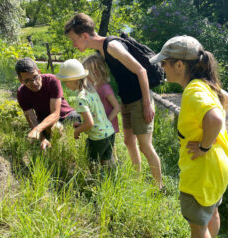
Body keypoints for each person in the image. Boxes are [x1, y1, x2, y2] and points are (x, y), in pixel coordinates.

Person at [64, 13, 163, 189]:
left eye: (74, 39)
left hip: (140, 100)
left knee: (145, 146)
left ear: (84, 36)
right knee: (129, 142)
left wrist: (147, 104)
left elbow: (141, 71)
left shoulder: (112, 46)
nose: (73, 43)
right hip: (126, 101)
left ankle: (159, 187)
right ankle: (137, 180)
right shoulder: (100, 51)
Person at [150, 35, 228, 238]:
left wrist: (204, 147)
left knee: (198, 227)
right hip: (220, 166)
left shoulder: (192, 91)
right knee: (212, 211)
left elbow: (214, 119)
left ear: (179, 65)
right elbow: (227, 98)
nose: (162, 67)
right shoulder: (205, 84)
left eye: (165, 62)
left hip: (201, 173)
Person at [56, 59, 115, 170]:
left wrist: (77, 131)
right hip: (109, 132)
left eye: (65, 81)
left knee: (92, 164)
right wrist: (81, 124)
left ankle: (95, 185)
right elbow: (94, 115)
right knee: (105, 163)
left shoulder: (80, 99)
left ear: (73, 80)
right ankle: (108, 182)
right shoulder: (91, 89)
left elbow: (89, 123)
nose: (65, 84)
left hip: (97, 137)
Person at [15, 57, 80, 150]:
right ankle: (59, 148)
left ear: (39, 72)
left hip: (67, 115)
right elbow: (32, 119)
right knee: (56, 128)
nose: (34, 82)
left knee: (86, 123)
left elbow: (55, 114)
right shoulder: (22, 93)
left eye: (35, 77)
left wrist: (37, 129)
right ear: (21, 80)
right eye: (27, 80)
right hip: (46, 123)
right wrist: (42, 139)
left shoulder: (52, 80)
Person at [83, 54, 120, 161]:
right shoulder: (95, 87)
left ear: (96, 72)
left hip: (108, 123)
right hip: (100, 124)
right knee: (107, 148)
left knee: (110, 147)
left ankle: (113, 166)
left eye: (87, 73)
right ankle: (111, 163)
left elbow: (117, 107)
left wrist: (107, 121)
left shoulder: (105, 88)